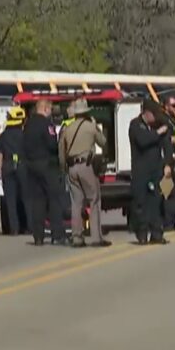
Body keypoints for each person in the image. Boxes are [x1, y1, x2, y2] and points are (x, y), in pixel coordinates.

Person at [59, 98, 110, 248]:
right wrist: (97, 128)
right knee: (94, 200)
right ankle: (96, 237)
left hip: (71, 167)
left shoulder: (67, 129)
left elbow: (61, 151)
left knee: (76, 203)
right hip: (86, 165)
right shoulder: (90, 126)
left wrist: (64, 168)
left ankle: (77, 237)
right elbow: (103, 142)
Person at [22, 99, 67, 246]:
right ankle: (57, 234)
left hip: (31, 165)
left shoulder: (28, 124)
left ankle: (38, 236)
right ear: (46, 109)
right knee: (54, 200)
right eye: (50, 109)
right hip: (47, 165)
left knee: (37, 202)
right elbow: (51, 144)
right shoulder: (47, 124)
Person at [128, 99, 170, 245]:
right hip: (141, 171)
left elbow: (167, 145)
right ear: (146, 113)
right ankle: (142, 233)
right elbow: (142, 141)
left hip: (156, 169)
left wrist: (167, 164)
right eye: (154, 114)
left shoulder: (158, 125)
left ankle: (157, 233)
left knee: (156, 202)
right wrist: (157, 133)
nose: (156, 118)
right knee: (141, 203)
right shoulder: (136, 125)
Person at [0, 106, 27, 236]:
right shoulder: (24, 135)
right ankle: (26, 227)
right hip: (22, 166)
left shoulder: (3, 136)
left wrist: (1, 172)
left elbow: (0, 155)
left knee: (10, 200)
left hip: (7, 167)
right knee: (25, 198)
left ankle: (14, 228)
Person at [161, 95, 175, 231]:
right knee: (168, 193)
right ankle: (167, 223)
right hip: (166, 162)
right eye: (173, 105)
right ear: (166, 106)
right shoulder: (163, 121)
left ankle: (173, 221)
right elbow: (163, 141)